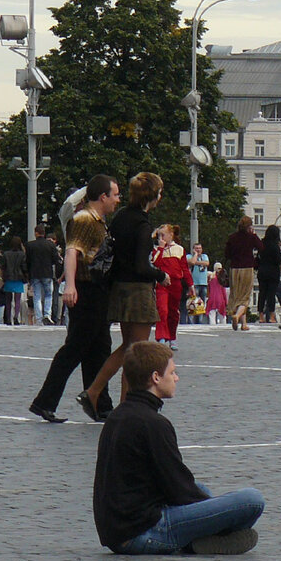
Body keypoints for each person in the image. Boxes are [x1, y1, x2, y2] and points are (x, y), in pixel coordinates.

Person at [93, 341, 264, 555]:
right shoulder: (153, 423)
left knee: (203, 489)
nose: (176, 378)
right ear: (156, 377)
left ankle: (202, 538)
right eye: (172, 373)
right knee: (251, 500)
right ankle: (198, 540)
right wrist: (216, 516)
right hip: (143, 532)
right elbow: (178, 487)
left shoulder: (118, 415)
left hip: (117, 529)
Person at [29, 175, 121, 423]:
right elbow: (72, 251)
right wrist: (70, 284)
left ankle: (100, 404)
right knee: (75, 348)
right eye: (115, 195)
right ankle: (44, 402)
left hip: (97, 290)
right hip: (86, 289)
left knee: (98, 349)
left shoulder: (97, 220)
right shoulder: (84, 219)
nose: (117, 199)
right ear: (103, 197)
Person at [79, 172, 168, 421]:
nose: (161, 196)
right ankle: (99, 394)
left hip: (118, 288)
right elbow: (141, 265)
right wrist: (160, 275)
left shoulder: (120, 218)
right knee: (136, 352)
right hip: (137, 291)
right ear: (152, 195)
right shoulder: (142, 224)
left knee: (129, 349)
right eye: (159, 192)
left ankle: (111, 399)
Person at [152, 225, 188, 350]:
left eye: (163, 235)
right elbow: (156, 263)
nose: (160, 238)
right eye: (159, 235)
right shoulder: (157, 250)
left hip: (176, 284)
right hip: (162, 283)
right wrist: (161, 249)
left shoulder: (179, 249)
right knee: (162, 310)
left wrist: (191, 284)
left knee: (173, 312)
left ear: (170, 235)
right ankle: (161, 337)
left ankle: (172, 337)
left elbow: (184, 268)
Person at [224, 216, 261, 331]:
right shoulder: (251, 237)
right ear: (249, 227)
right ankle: (237, 315)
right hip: (247, 268)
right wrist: (254, 234)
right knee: (245, 297)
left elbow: (227, 254)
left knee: (236, 295)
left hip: (234, 269)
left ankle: (243, 324)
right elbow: (261, 247)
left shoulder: (232, 237)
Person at [26, 224, 60, 325]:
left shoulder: (30, 245)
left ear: (36, 233)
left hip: (35, 273)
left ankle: (39, 318)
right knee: (49, 295)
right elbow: (55, 259)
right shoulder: (51, 245)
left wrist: (28, 273)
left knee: (37, 296)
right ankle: (47, 314)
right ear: (44, 233)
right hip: (47, 273)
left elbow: (27, 261)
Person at [257, 224, 281, 324]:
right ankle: (271, 316)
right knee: (271, 294)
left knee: (262, 293)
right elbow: (280, 264)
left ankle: (261, 315)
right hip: (273, 273)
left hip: (262, 272)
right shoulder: (275, 247)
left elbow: (257, 258)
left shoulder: (261, 244)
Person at [0, 237, 28, 325]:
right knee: (17, 299)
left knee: (8, 300)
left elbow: (2, 266)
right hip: (19, 278)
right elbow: (24, 267)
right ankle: (16, 317)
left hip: (8, 278)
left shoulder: (6, 254)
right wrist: (26, 276)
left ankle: (8, 318)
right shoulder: (22, 254)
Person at [186, 243, 210, 324]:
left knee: (201, 303)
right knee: (192, 302)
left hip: (203, 283)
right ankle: (191, 321)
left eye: (199, 248)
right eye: (196, 248)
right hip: (194, 283)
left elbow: (207, 263)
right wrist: (195, 256)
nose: (198, 250)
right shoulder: (189, 256)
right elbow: (191, 262)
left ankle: (199, 321)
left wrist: (197, 262)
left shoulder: (204, 256)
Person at [207, 262, 228, 326]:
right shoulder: (222, 278)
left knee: (212, 315)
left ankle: (212, 326)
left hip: (212, 298)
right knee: (222, 315)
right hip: (220, 299)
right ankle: (223, 326)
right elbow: (223, 291)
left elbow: (208, 289)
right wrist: (226, 301)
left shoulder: (211, 277)